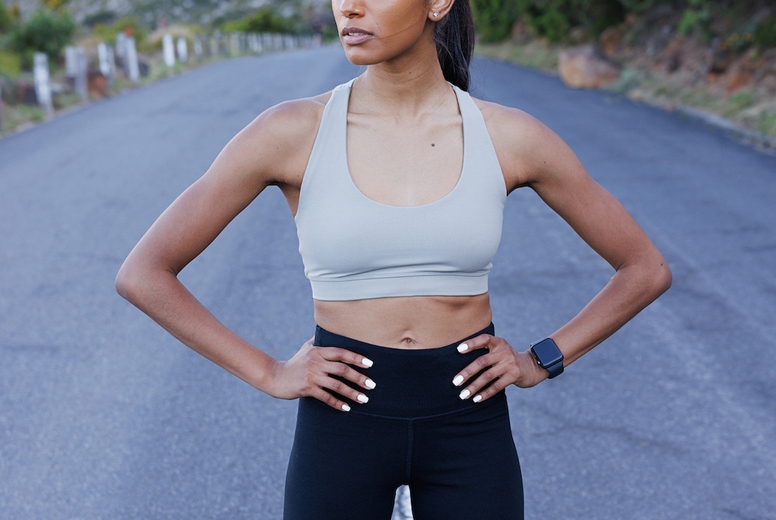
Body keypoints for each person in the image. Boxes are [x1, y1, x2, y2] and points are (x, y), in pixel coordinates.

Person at [115, 0, 672, 518]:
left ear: (438, 3)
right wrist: (268, 372)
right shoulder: (290, 131)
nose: (349, 7)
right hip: (340, 427)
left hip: (469, 427)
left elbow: (644, 268)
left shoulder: (509, 136)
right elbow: (145, 273)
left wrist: (540, 359)